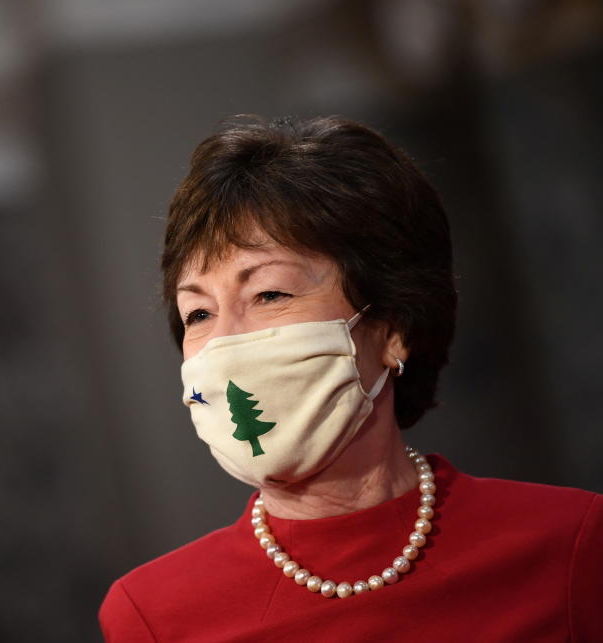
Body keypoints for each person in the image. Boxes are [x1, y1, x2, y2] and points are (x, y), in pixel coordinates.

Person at [98, 115, 603, 641]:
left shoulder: (570, 549)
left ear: (393, 328)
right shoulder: (153, 616)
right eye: (197, 314)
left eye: (270, 294)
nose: (226, 342)